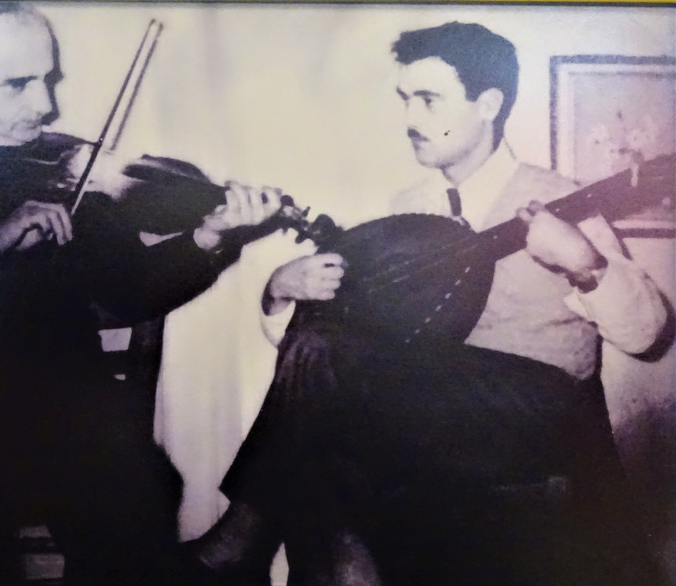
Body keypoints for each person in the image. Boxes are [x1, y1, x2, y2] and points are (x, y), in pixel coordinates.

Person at [188, 22, 669, 586]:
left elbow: (647, 333)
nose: (410, 118)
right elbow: (326, 349)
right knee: (325, 424)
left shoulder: (562, 200)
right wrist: (280, 291)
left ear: (487, 104)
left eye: (428, 99)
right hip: (422, 403)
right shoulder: (410, 208)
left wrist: (585, 264)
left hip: (533, 412)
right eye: (405, 99)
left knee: (329, 423)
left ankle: (242, 537)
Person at [0, 3, 281, 584]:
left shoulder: (63, 172)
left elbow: (132, 288)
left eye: (48, 81)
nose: (45, 105)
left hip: (69, 404)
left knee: (131, 482)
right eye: (19, 84)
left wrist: (209, 236)